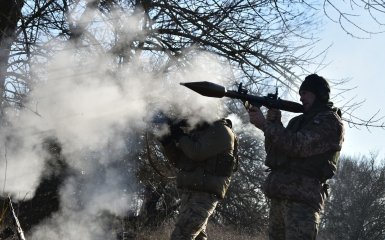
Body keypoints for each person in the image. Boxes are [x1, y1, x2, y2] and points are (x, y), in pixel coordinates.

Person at [248, 74, 344, 240]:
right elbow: (275, 154)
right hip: (279, 196)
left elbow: (298, 146)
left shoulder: (330, 122)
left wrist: (265, 125)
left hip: (303, 202)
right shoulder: (297, 121)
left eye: (305, 93)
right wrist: (273, 124)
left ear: (319, 94)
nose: (300, 98)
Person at [159, 117, 238, 240]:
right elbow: (179, 161)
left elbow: (196, 153)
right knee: (197, 237)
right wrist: (167, 142)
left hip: (204, 195)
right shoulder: (198, 132)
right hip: (190, 193)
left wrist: (180, 136)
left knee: (181, 235)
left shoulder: (221, 131)